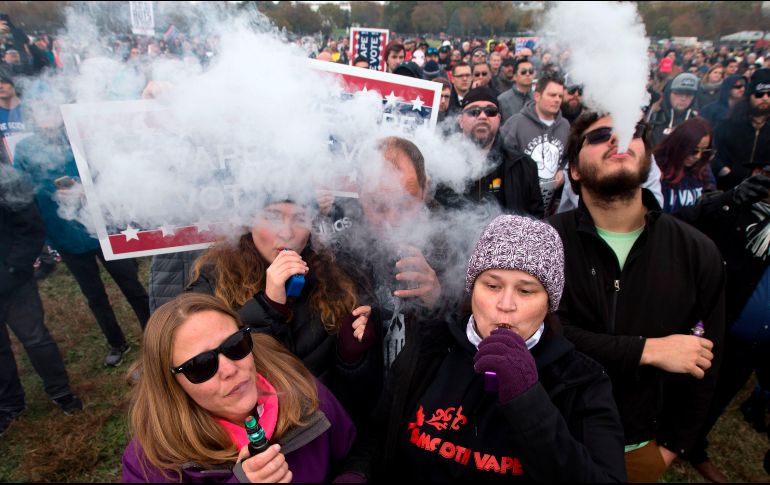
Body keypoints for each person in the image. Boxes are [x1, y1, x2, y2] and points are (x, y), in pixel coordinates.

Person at [341, 215, 626, 482]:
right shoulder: (433, 345)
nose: (505, 304)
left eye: (526, 290)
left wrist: (527, 400)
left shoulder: (581, 381)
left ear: (549, 303)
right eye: (492, 285)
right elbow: (379, 432)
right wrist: (357, 473)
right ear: (472, 289)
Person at [548, 111, 725, 482]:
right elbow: (543, 335)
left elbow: (706, 361)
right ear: (575, 171)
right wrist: (648, 350)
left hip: (639, 448)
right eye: (599, 136)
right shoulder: (544, 242)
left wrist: (669, 449)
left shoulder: (696, 251)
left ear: (648, 158)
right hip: (551, 430)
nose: (617, 140)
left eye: (632, 131)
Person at [121, 293, 356, 483]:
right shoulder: (151, 462)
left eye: (235, 345)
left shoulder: (299, 389)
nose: (230, 369)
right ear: (171, 384)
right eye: (201, 365)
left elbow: (354, 454)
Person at [188, 198, 381, 426]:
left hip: (321, 433)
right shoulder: (214, 281)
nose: (287, 233)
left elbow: (355, 402)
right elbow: (209, 377)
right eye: (273, 217)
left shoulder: (335, 280)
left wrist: (351, 359)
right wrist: (268, 307)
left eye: (300, 218)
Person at [14, 100, 150, 368]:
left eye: (50, 109)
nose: (47, 116)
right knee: (94, 295)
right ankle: (116, 342)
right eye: (40, 111)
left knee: (131, 285)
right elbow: (24, 189)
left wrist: (86, 189)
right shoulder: (26, 149)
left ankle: (155, 335)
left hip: (101, 227)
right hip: (64, 231)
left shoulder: (80, 137)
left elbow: (106, 174)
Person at [674, 164, 770, 483]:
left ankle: (694, 446)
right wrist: (731, 199)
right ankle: (666, 436)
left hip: (757, 339)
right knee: (691, 385)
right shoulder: (738, 211)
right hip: (717, 323)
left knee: (724, 391)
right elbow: (684, 220)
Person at [0, 164, 82, 436]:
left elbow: (31, 227)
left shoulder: (7, 178)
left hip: (13, 281)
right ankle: (11, 404)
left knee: (35, 339)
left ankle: (61, 393)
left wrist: (14, 269)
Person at [433, 87, 543, 218]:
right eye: (474, 112)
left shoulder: (523, 166)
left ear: (499, 119)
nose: (483, 116)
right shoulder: (441, 167)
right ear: (461, 121)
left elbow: (537, 218)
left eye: (490, 111)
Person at [500, 72, 569, 215]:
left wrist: (563, 171)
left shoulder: (565, 126)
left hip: (549, 207)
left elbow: (568, 157)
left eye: (560, 96)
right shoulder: (516, 123)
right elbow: (502, 160)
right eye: (552, 95)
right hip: (519, 207)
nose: (557, 100)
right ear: (537, 96)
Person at [712, 68, 770, 191]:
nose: (765, 98)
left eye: (769, 94)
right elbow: (713, 152)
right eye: (759, 94)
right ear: (750, 96)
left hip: (763, 194)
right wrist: (725, 171)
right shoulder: (729, 124)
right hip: (728, 191)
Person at [653, 117, 716, 213]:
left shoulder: (703, 169)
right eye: (694, 150)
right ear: (680, 145)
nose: (698, 156)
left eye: (704, 151)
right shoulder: (656, 168)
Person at [648, 72, 700, 147]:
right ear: (668, 94)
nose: (683, 98)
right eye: (678, 93)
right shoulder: (654, 117)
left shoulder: (696, 122)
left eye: (689, 94)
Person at [497, 57, 535, 123]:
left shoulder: (538, 98)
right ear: (515, 76)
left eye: (531, 72)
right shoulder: (502, 100)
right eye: (523, 72)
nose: (528, 74)